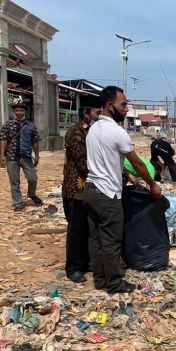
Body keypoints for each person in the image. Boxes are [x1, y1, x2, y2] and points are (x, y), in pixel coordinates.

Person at [84, 86, 161, 294]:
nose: (126, 109)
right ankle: (114, 283)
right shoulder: (117, 132)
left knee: (96, 238)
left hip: (90, 190)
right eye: (123, 104)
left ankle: (100, 279)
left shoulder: (93, 129)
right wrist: (152, 184)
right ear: (110, 106)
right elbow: (137, 164)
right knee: (111, 239)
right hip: (108, 193)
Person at [62, 105, 101, 283]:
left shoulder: (93, 131)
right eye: (97, 113)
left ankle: (85, 262)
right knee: (77, 229)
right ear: (86, 114)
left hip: (90, 188)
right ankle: (74, 268)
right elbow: (83, 163)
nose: (99, 116)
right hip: (76, 189)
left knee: (89, 228)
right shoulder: (76, 132)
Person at [0, 103, 42, 211]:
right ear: (14, 112)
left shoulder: (31, 125)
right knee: (14, 181)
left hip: (26, 156)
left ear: (25, 112)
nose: (19, 112)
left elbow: (35, 141)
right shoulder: (8, 124)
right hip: (12, 156)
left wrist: (37, 155)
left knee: (33, 178)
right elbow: (3, 139)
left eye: (21, 111)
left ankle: (32, 194)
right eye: (17, 110)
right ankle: (18, 203)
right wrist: (2, 154)